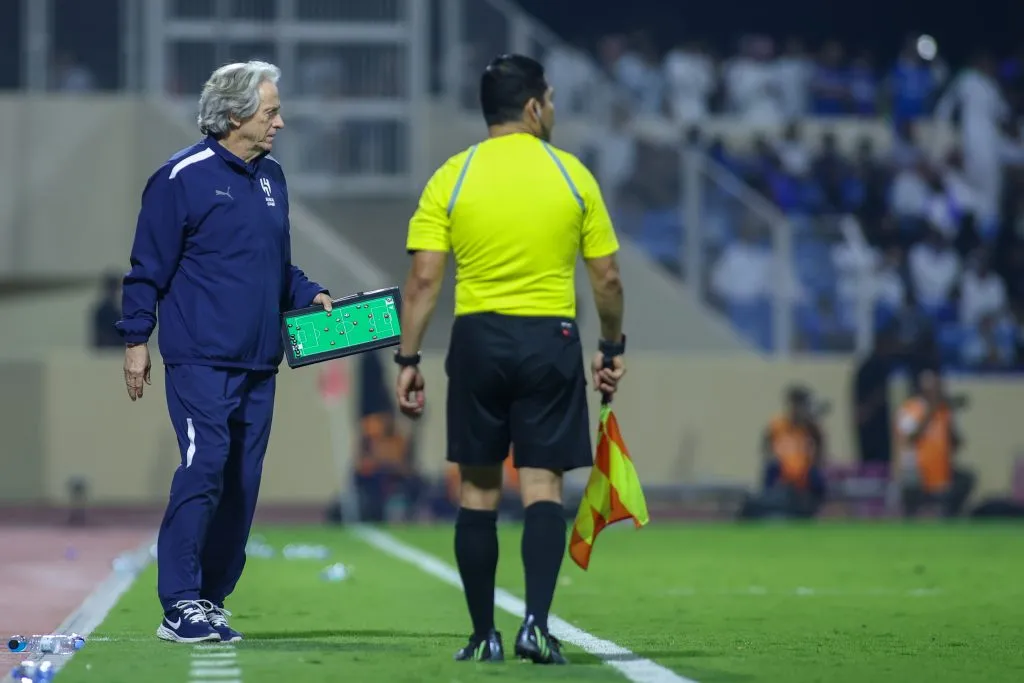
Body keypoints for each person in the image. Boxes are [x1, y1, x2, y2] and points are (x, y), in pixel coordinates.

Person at [391, 54, 626, 665]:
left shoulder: (454, 174)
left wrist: (408, 359)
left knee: (478, 488)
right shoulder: (572, 174)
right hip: (551, 338)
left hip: (478, 340)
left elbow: (422, 281)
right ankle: (537, 628)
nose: (552, 108)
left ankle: (481, 636)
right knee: (543, 483)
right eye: (549, 99)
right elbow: (606, 279)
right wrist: (611, 347)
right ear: (532, 107)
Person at [115, 61, 331, 644]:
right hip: (200, 362)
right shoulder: (178, 178)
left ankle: (209, 599)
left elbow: (274, 265)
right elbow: (145, 271)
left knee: (240, 485)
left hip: (261, 364)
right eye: (270, 113)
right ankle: (179, 603)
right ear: (234, 116)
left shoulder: (273, 178)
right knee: (202, 469)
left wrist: (309, 292)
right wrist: (136, 341)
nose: (280, 122)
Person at [894, 368, 976, 517]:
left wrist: (951, 419)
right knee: (911, 492)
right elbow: (910, 438)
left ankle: (950, 518)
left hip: (939, 467)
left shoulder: (943, 410)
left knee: (966, 479)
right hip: (915, 468)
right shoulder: (911, 408)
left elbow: (955, 443)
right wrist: (931, 411)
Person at [759, 385, 828, 517]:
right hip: (782, 468)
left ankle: (814, 509)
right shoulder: (778, 424)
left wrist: (815, 463)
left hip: (804, 471)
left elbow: (820, 447)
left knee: (818, 479)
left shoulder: (810, 427)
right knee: (770, 470)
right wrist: (771, 457)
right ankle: (768, 508)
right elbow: (766, 444)